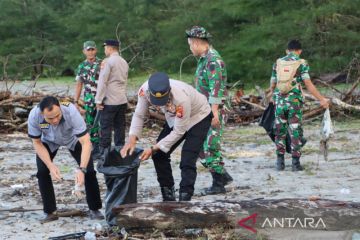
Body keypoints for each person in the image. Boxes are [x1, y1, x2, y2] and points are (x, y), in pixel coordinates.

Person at [120, 72, 212, 201]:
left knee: (187, 158)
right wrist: (132, 139)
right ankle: (168, 194)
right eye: (155, 101)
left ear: (169, 91)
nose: (158, 105)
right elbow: (139, 115)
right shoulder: (144, 90)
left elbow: (179, 132)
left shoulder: (180, 98)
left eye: (161, 101)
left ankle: (185, 197)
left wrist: (153, 148)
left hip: (198, 117)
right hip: (175, 118)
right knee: (159, 155)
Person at [28, 96, 103, 223]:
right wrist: (50, 165)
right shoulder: (34, 116)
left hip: (72, 139)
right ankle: (50, 211)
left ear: (60, 108)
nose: (55, 120)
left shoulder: (71, 111)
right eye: (50, 118)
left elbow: (85, 142)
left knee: (89, 171)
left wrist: (82, 169)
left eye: (58, 115)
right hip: (49, 141)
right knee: (42, 172)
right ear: (42, 114)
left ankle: (94, 209)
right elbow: (37, 142)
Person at [269, 39, 329, 171]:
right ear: (299, 51)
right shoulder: (301, 63)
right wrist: (321, 99)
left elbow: (273, 84)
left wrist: (274, 96)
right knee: (295, 131)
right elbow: (308, 83)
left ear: (287, 50)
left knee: (280, 131)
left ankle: (280, 163)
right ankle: (295, 164)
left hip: (279, 101)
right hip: (294, 102)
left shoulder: (278, 63)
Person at [186, 26, 233, 195]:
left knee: (210, 146)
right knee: (198, 145)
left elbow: (216, 89)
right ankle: (222, 175)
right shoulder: (203, 60)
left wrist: (214, 113)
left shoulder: (213, 61)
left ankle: (218, 184)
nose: (190, 48)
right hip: (204, 109)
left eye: (191, 44)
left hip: (215, 109)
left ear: (198, 43)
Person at [95, 39, 128, 155]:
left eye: (105, 48)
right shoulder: (124, 61)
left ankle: (105, 155)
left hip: (110, 101)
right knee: (120, 128)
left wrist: (98, 100)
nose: (104, 50)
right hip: (122, 99)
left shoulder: (108, 62)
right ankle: (121, 153)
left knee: (105, 128)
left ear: (109, 48)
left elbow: (102, 81)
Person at [74, 40, 101, 158]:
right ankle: (94, 148)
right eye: (88, 50)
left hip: (102, 98)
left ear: (96, 50)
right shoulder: (81, 66)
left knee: (103, 122)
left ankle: (104, 147)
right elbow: (79, 84)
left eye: (92, 49)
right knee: (90, 122)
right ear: (84, 51)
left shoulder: (102, 63)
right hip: (89, 99)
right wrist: (76, 101)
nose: (90, 52)